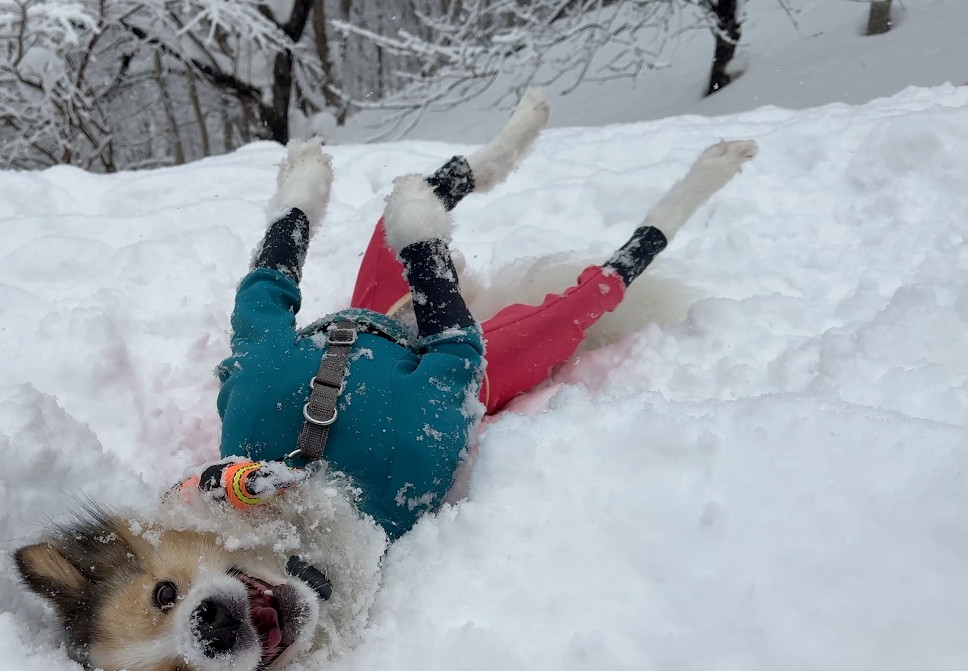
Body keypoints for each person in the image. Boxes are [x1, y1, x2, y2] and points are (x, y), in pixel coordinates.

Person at [194, 91, 757, 540]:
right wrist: (426, 255)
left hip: (369, 320)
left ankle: (494, 158)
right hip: (462, 365)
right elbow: (459, 350)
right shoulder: (399, 473)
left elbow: (260, 302)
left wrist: (295, 208)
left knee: (403, 207)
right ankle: (677, 207)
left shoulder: (248, 425)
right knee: (579, 306)